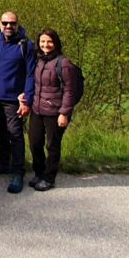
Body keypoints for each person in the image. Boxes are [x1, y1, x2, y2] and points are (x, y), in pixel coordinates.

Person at [0, 11, 37, 194]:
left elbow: (31, 75)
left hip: (13, 99)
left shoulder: (26, 45)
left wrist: (27, 100)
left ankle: (17, 172)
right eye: (5, 23)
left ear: (17, 24)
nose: (8, 26)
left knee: (15, 134)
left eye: (12, 23)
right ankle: (2, 163)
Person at [29, 29, 77, 192]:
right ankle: (38, 172)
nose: (45, 45)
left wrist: (64, 113)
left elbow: (70, 90)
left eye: (49, 41)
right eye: (42, 41)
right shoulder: (38, 60)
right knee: (35, 143)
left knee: (52, 145)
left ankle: (49, 178)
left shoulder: (63, 63)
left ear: (55, 43)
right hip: (37, 109)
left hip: (55, 112)